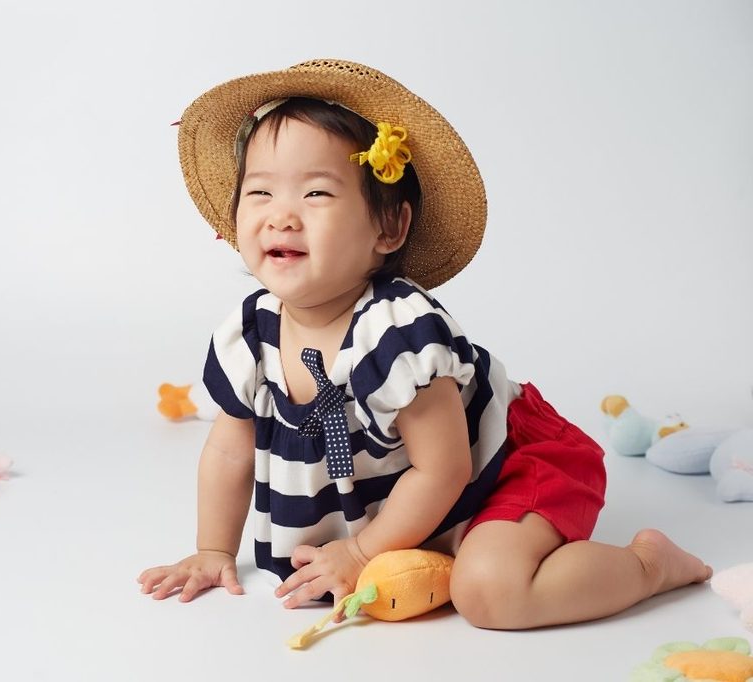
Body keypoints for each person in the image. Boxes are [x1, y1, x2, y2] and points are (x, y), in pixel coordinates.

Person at [137, 59, 711, 629]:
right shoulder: (250, 335)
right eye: (259, 192)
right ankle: (431, 544)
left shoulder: (400, 336)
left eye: (316, 193)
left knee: (489, 592)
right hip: (421, 501)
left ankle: (647, 565)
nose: (280, 216)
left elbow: (443, 470)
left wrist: (362, 554)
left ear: (388, 229)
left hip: (505, 468)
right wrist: (214, 550)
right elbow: (230, 452)